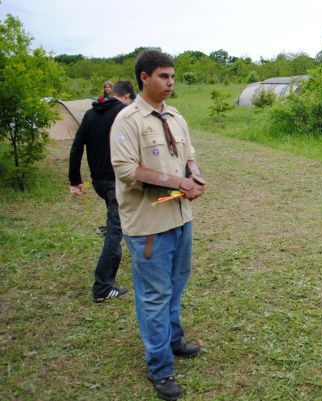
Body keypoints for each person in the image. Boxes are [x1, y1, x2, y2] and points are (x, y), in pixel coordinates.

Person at [110, 49, 206, 401]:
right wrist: (177, 182)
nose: (171, 83)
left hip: (180, 219)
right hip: (149, 224)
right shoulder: (128, 119)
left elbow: (190, 156)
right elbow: (126, 170)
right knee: (154, 296)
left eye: (173, 76)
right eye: (164, 76)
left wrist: (194, 177)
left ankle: (173, 339)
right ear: (144, 77)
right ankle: (160, 367)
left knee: (176, 286)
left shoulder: (176, 116)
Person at [69, 80, 137, 303]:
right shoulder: (124, 114)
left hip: (98, 182)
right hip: (117, 182)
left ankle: (143, 255)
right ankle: (102, 288)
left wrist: (75, 180)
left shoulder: (90, 114)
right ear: (127, 96)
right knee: (114, 232)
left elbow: (77, 145)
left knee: (124, 219)